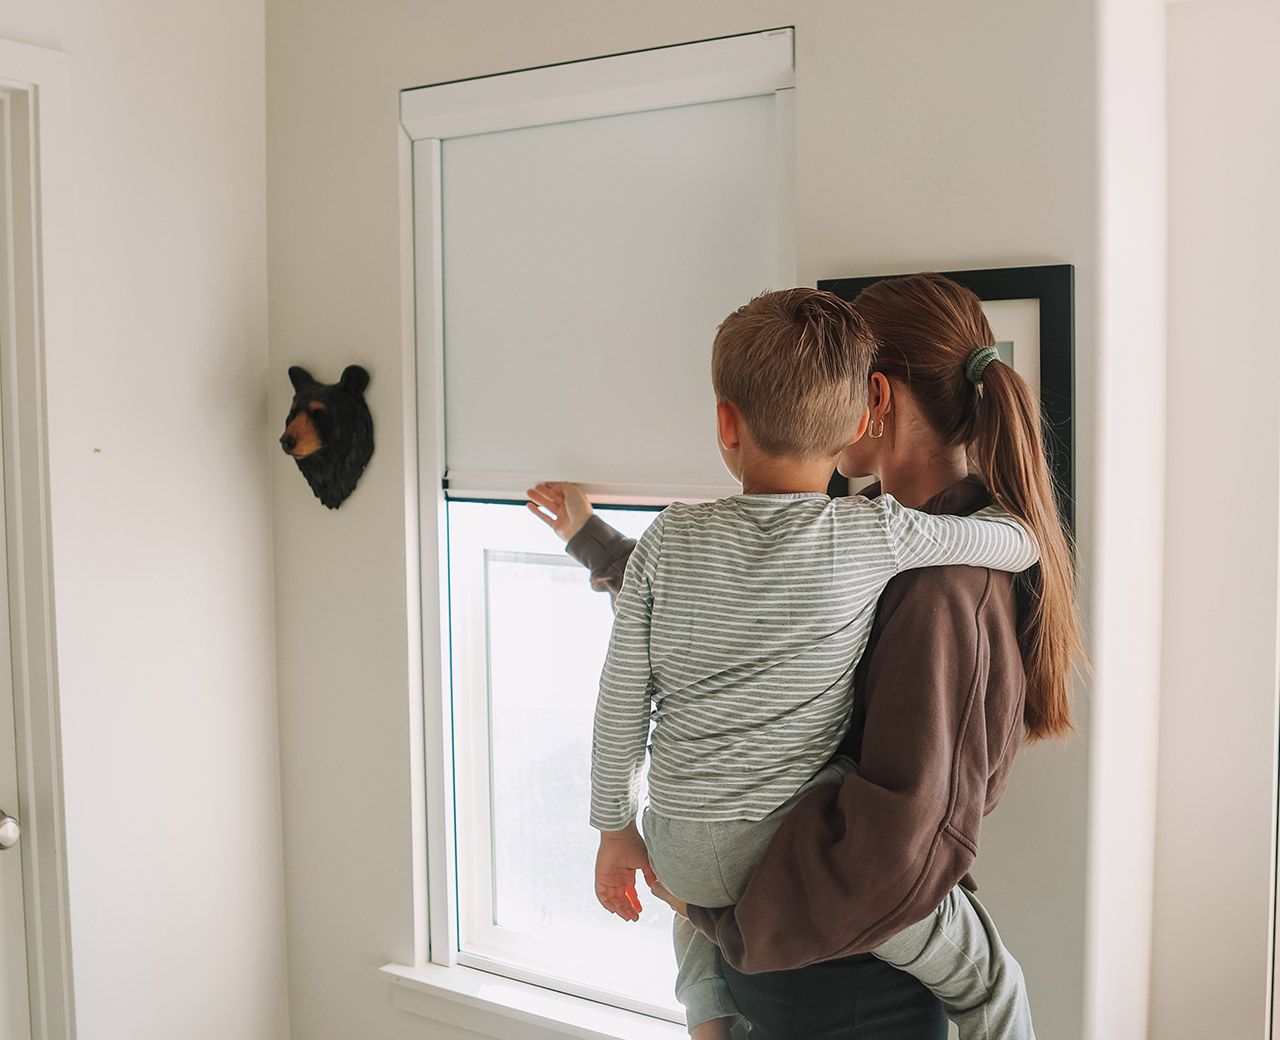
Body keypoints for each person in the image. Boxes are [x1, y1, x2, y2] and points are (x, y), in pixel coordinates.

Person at [528, 287, 1041, 1040]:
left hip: (684, 848)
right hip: (773, 874)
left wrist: (616, 829)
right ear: (857, 414)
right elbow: (1015, 543)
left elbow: (659, 658)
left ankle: (705, 1017)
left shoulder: (679, 540)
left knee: (702, 770)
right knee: (995, 981)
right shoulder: (875, 538)